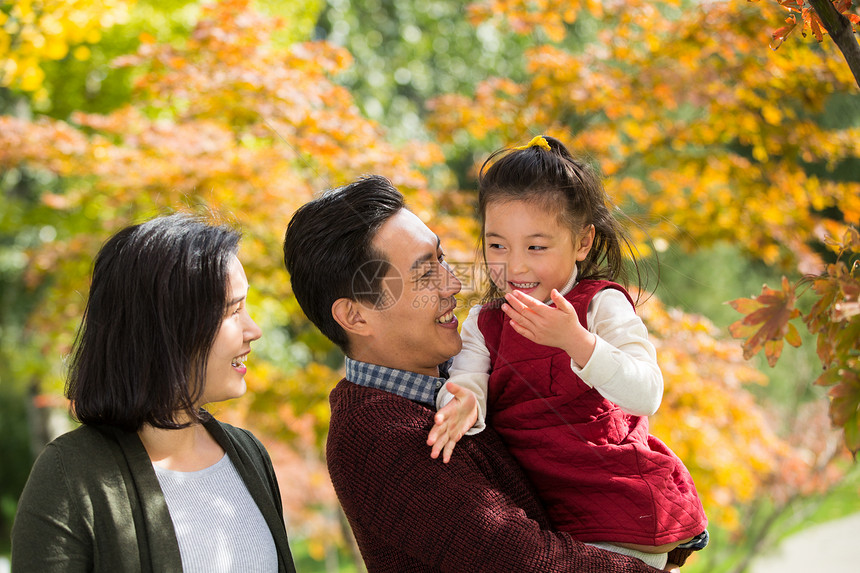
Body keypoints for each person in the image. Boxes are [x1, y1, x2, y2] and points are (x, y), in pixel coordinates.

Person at [283, 174, 668, 572]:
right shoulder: (376, 435)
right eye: (424, 274)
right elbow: (524, 561)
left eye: (442, 258)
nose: (454, 284)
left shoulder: (470, 374)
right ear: (356, 315)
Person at [427, 135, 708, 569]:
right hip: (544, 519)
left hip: (617, 509)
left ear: (582, 242)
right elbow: (467, 377)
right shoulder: (485, 322)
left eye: (536, 247)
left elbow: (647, 392)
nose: (515, 266)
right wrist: (462, 401)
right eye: (497, 245)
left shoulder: (600, 305)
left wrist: (578, 342)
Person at [11, 214, 296, 573]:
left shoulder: (249, 455)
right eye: (233, 310)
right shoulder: (71, 475)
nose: (253, 330)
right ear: (167, 329)